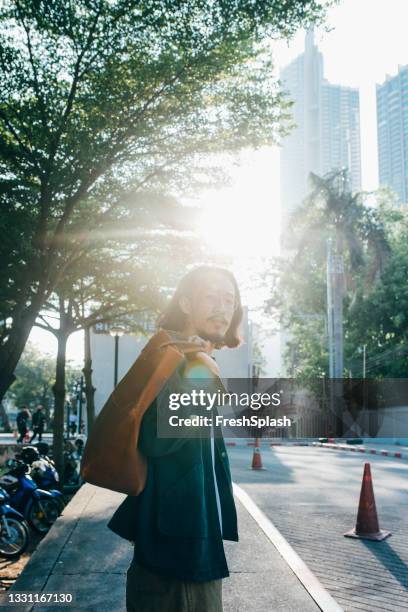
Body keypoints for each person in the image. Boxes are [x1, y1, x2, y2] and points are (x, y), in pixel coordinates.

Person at [108, 266, 243, 612]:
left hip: (190, 540)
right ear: (185, 302)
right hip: (177, 556)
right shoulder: (173, 358)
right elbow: (154, 439)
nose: (222, 307)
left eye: (229, 299)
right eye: (211, 296)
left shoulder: (193, 358)